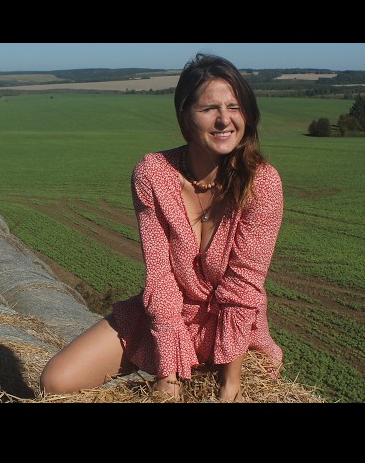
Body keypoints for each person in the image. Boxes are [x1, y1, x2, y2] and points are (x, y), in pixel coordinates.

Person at [40, 53, 284, 402]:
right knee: (56, 381)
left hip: (231, 327)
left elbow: (243, 288)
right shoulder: (153, 174)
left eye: (235, 106)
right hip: (167, 316)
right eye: (209, 109)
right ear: (185, 117)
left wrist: (230, 385)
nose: (224, 120)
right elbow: (161, 279)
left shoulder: (262, 183)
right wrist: (167, 374)